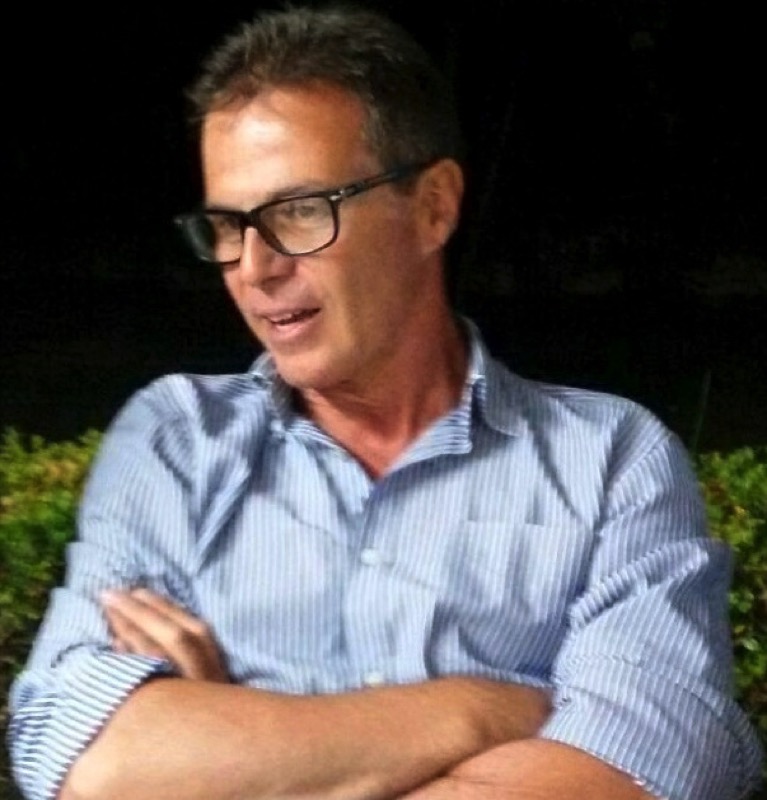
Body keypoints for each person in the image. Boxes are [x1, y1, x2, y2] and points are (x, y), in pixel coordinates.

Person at [7, 3, 763, 799]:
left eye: (300, 211)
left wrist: (233, 750)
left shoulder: (609, 459)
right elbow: (86, 755)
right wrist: (477, 711)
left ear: (432, 207)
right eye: (227, 225)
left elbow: (645, 763)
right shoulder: (176, 441)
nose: (254, 267)